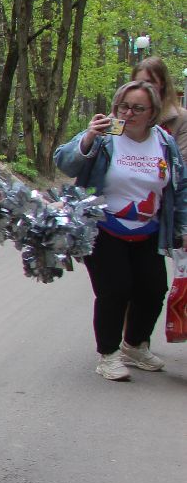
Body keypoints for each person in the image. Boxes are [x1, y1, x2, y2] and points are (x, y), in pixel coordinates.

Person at [54, 79, 187, 380]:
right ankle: (109, 354)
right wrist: (87, 137)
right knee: (115, 290)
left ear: (153, 112)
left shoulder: (163, 142)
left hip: (147, 229)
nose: (129, 114)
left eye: (138, 108)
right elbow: (64, 161)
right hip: (103, 225)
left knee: (153, 290)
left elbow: (180, 187)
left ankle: (134, 345)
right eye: (123, 107)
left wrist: (183, 226)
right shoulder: (105, 137)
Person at [135, 56, 186, 153]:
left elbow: (180, 163)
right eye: (137, 83)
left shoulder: (181, 118)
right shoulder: (123, 113)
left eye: (148, 82)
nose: (142, 87)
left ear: (162, 83)